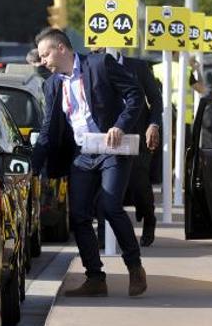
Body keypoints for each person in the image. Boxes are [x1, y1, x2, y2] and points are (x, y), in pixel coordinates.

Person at [32, 28, 147, 297]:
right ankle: (95, 278)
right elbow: (48, 129)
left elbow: (135, 95)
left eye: (45, 54)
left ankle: (134, 266)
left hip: (112, 148)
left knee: (110, 205)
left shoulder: (99, 64)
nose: (43, 61)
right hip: (83, 154)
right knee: (80, 216)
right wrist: (34, 167)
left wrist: (120, 126)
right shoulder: (52, 85)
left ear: (62, 49)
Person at [97, 48, 163, 247]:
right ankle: (104, 235)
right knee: (105, 189)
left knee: (139, 185)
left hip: (136, 136)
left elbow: (155, 99)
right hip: (106, 137)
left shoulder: (138, 67)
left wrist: (153, 124)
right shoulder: (93, 66)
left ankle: (149, 220)